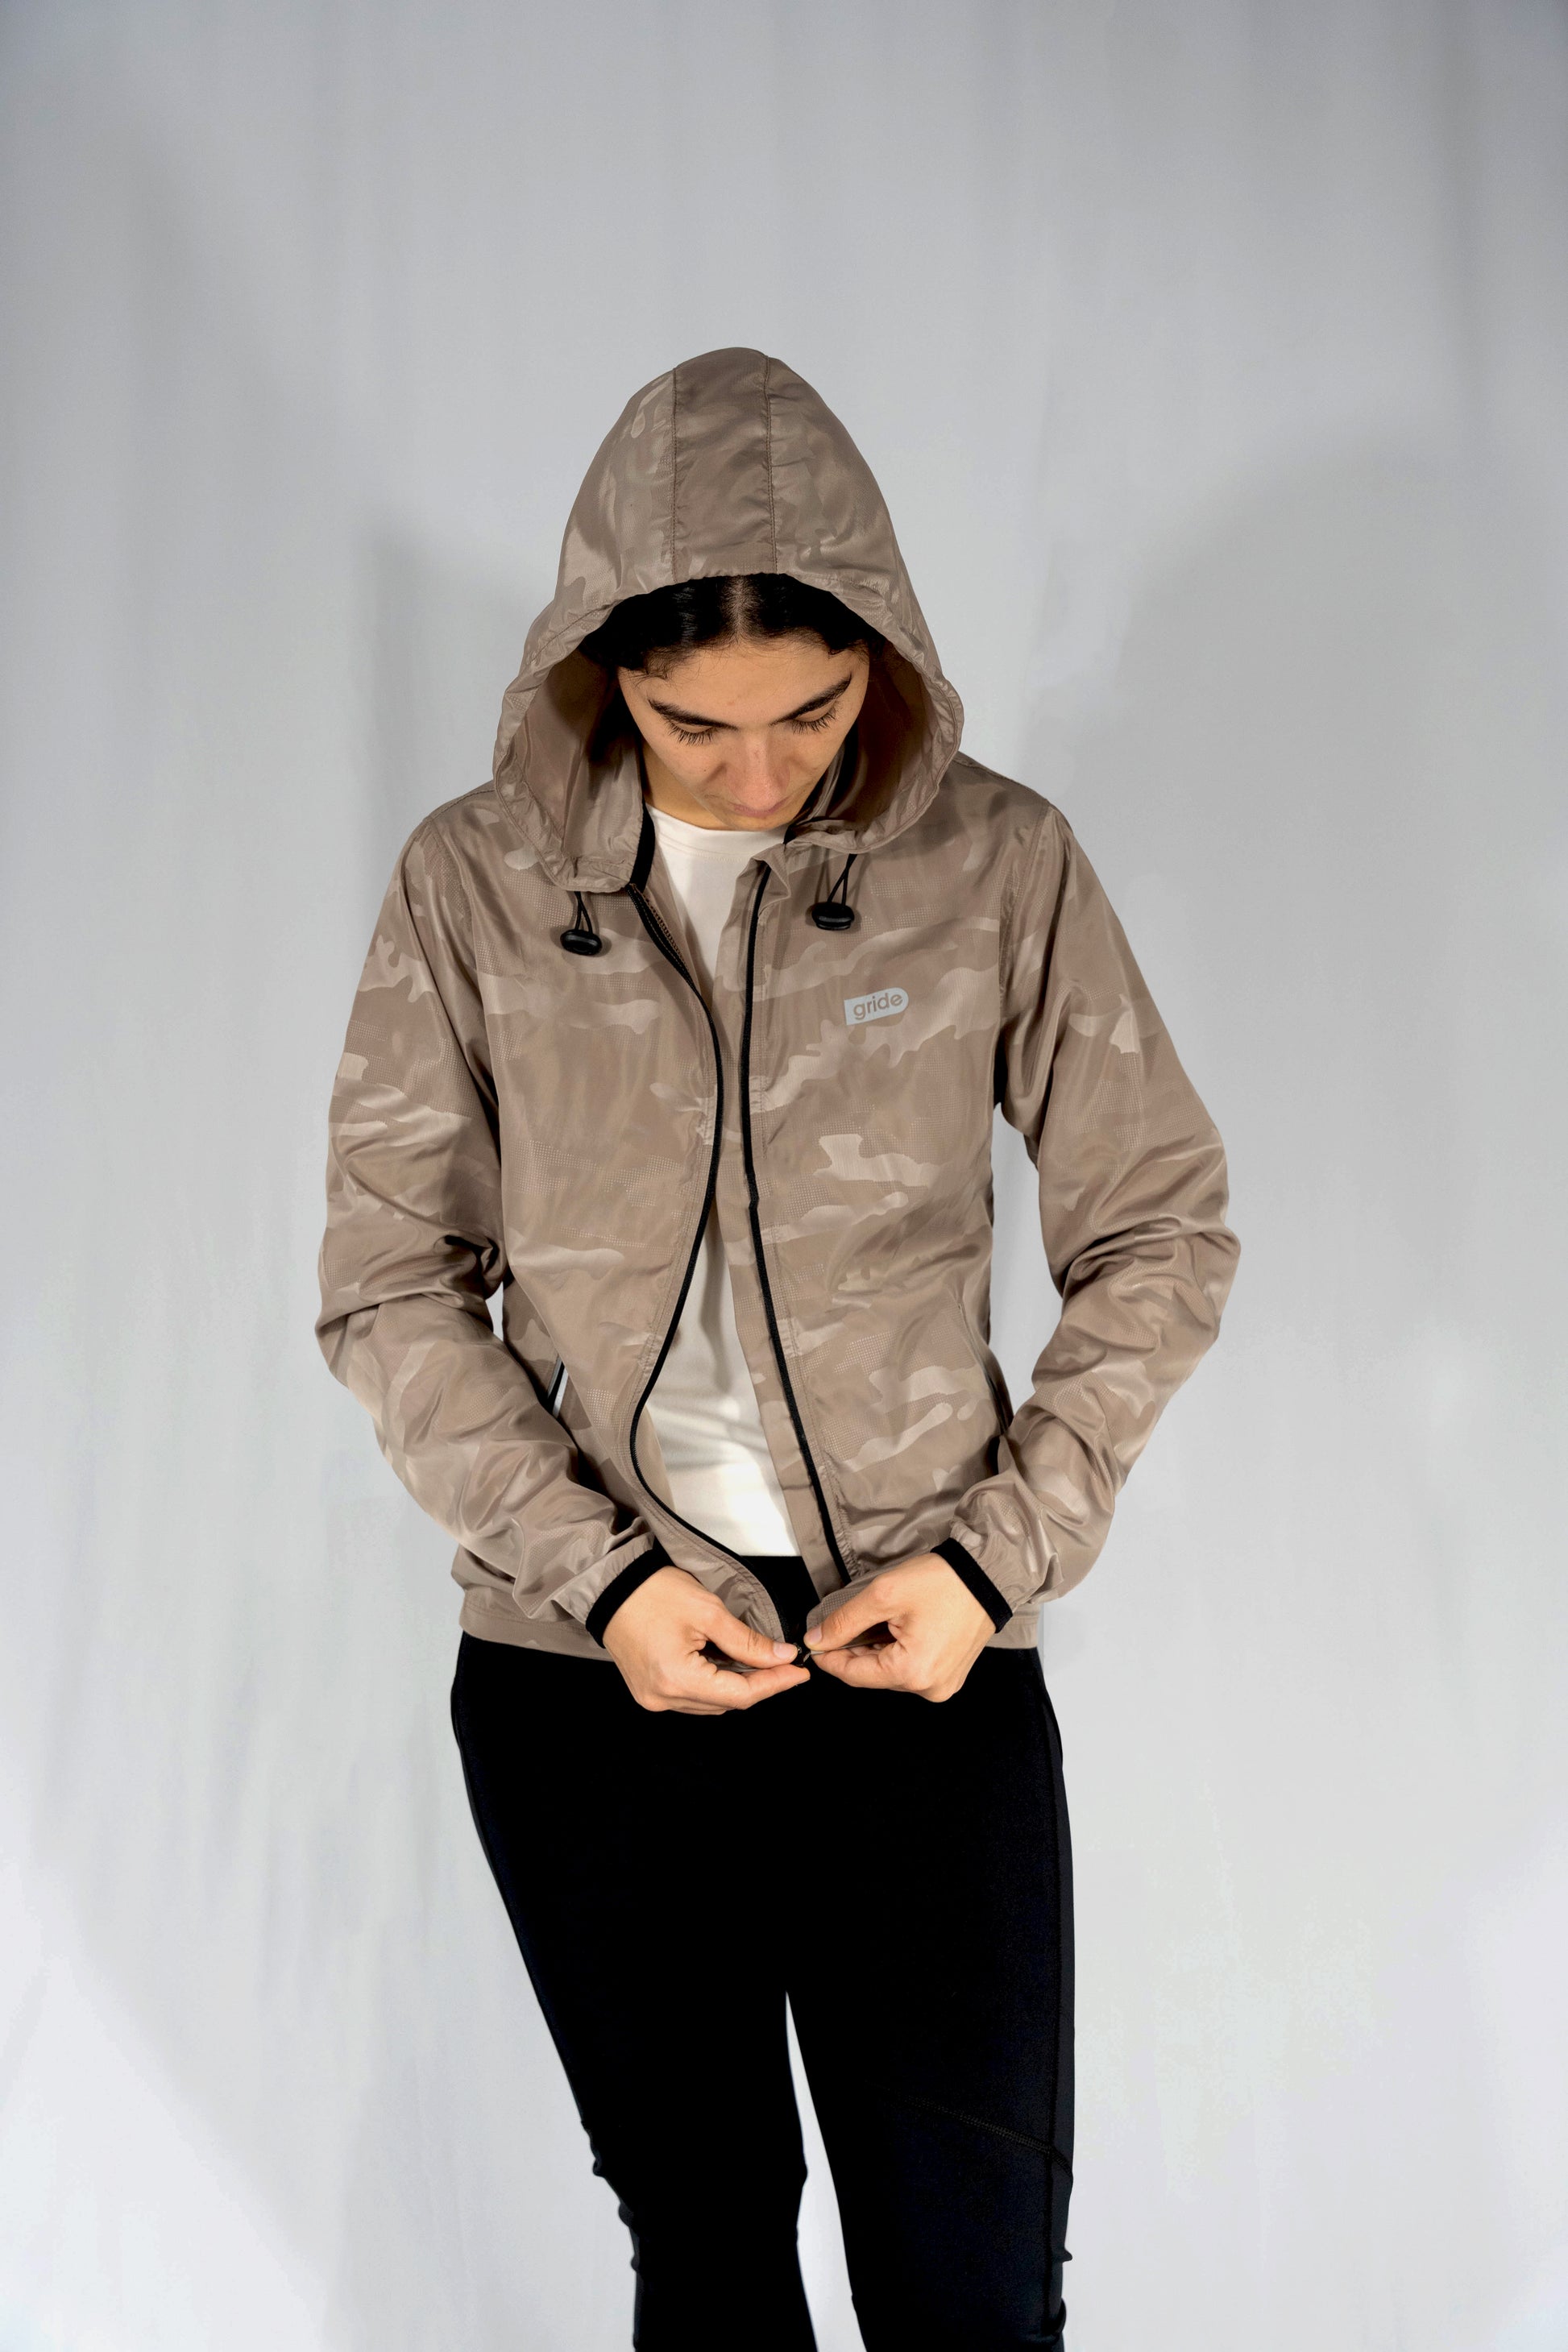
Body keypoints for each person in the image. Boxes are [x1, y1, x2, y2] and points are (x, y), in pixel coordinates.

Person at [315, 346, 1239, 2350]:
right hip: (590, 1684)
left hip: (922, 1655)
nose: (759, 774)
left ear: (878, 651)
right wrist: (607, 1579)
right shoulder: (475, 886)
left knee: (970, 2295)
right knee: (715, 2265)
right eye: (694, 723)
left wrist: (992, 1556)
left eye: (810, 711)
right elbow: (390, 1285)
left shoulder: (994, 862)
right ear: (601, 675)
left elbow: (1159, 1225)